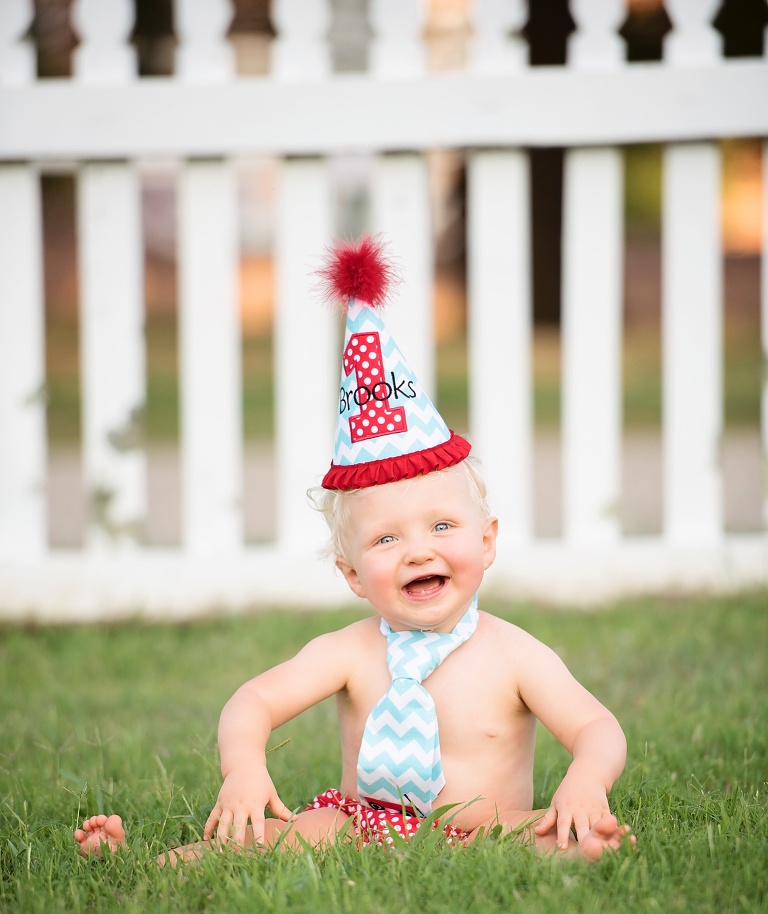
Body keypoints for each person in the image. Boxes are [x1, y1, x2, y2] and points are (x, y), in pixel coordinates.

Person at [75, 236, 633, 865]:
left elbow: (596, 727)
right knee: (279, 838)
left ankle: (588, 844)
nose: (417, 551)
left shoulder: (513, 654)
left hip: (486, 827)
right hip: (360, 826)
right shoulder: (349, 651)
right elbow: (252, 701)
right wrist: (245, 768)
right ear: (352, 574)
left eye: (442, 526)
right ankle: (144, 863)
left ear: (487, 540)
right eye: (386, 539)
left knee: (552, 835)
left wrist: (585, 777)